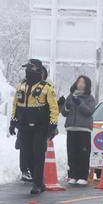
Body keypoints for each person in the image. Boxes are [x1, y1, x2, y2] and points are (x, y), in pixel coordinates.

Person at [9, 59, 59, 194]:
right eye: (27, 68)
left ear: (38, 69)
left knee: (38, 155)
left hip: (40, 127)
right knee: (27, 155)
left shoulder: (46, 88)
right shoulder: (21, 86)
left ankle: (37, 184)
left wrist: (53, 125)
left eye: (31, 68)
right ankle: (39, 182)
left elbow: (54, 108)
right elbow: (15, 105)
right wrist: (13, 122)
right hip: (24, 126)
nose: (28, 70)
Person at [60, 76, 96, 185]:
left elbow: (89, 111)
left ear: (87, 85)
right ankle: (72, 175)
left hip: (84, 129)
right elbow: (64, 113)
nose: (80, 84)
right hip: (71, 128)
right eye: (79, 81)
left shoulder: (90, 98)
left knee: (83, 153)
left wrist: (79, 103)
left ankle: (83, 176)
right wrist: (65, 105)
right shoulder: (71, 96)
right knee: (72, 152)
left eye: (83, 82)